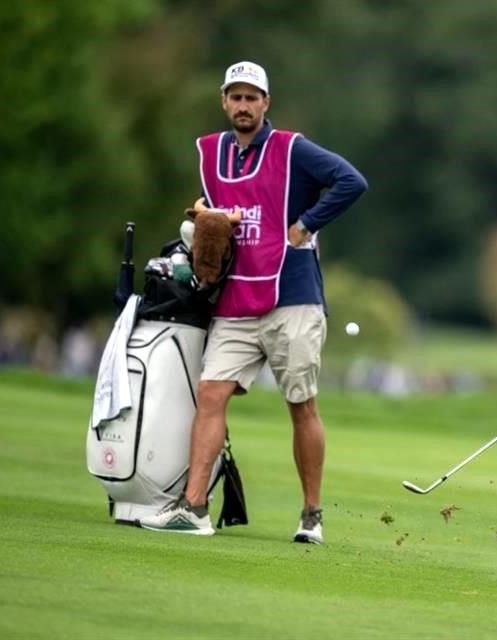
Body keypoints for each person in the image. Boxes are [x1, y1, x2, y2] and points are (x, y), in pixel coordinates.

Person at [140, 61, 368, 542]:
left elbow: (351, 181)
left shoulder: (293, 149)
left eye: (252, 97)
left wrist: (307, 224)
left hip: (294, 295)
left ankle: (311, 515)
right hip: (236, 298)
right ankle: (194, 507)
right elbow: (218, 213)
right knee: (211, 394)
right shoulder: (212, 153)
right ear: (224, 101)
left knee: (300, 404)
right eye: (235, 97)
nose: (243, 106)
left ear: (266, 103)